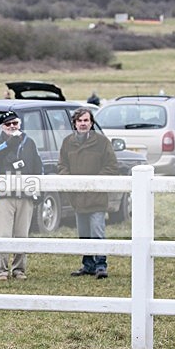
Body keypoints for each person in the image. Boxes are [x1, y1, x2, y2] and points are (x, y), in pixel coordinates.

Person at [58, 107, 118, 280]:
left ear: (91, 123)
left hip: (97, 197)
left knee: (97, 231)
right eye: (80, 121)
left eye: (86, 121)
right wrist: (70, 180)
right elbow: (62, 166)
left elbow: (111, 166)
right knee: (83, 232)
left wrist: (95, 182)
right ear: (74, 123)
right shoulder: (68, 142)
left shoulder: (102, 142)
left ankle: (101, 265)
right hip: (77, 197)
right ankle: (88, 264)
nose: (83, 124)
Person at [0, 111, 42, 281]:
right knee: (2, 234)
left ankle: (19, 269)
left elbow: (37, 167)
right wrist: (10, 143)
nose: (12, 127)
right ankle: (1, 270)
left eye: (15, 123)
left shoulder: (29, 142)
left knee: (22, 234)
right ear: (2, 127)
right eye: (8, 124)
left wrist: (38, 191)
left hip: (24, 196)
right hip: (4, 196)